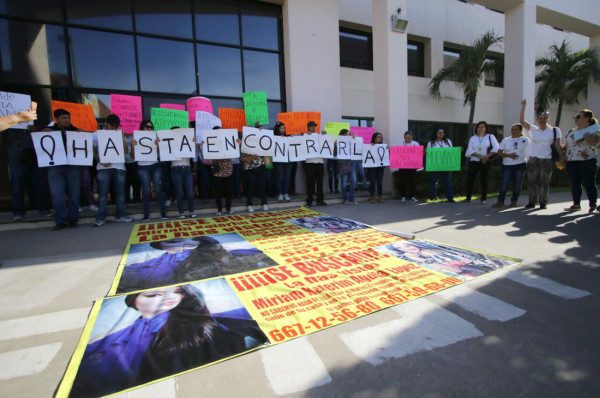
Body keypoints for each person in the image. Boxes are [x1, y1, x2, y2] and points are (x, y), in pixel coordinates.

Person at [71, 285, 247, 397]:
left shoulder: (196, 325)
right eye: (153, 294)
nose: (168, 298)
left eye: (177, 291)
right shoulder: (107, 341)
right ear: (134, 302)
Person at [519, 99, 565, 209]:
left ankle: (543, 202)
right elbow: (521, 121)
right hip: (534, 157)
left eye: (545, 118)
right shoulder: (534, 129)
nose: (542, 120)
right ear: (537, 120)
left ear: (548, 119)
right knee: (532, 180)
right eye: (540, 118)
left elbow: (557, 144)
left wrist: (562, 157)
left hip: (547, 158)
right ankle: (532, 201)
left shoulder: (555, 130)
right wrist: (523, 106)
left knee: (544, 181)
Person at [45, 109, 83, 230]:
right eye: (63, 118)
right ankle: (60, 220)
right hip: (56, 166)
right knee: (57, 194)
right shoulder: (50, 132)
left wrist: (82, 134)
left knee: (74, 194)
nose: (66, 120)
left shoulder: (75, 131)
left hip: (73, 165)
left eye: (68, 118)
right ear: (56, 119)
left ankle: (73, 218)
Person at [93, 114, 133, 226]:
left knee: (120, 193)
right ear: (106, 123)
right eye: (112, 126)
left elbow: (126, 151)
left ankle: (121, 215)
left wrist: (122, 137)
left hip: (119, 167)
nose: (113, 128)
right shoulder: (97, 135)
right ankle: (100, 217)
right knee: (103, 193)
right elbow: (93, 150)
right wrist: (100, 161)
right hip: (103, 168)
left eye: (116, 126)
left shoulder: (119, 134)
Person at [562, 109, 599, 213]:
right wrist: (562, 156)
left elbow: (596, 144)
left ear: (587, 118)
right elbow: (566, 145)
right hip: (572, 160)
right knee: (575, 183)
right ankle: (576, 204)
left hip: (587, 160)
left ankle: (592, 205)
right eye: (575, 117)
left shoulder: (594, 130)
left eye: (578, 116)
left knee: (589, 183)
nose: (576, 119)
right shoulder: (571, 131)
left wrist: (587, 137)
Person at [131, 120, 167, 221]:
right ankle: (146, 214)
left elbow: (163, 154)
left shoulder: (156, 138)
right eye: (147, 127)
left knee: (158, 189)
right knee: (146, 190)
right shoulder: (136, 138)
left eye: (151, 127)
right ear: (142, 127)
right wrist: (133, 147)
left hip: (156, 165)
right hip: (143, 166)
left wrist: (158, 145)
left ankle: (163, 213)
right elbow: (133, 156)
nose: (150, 129)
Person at [492, 124, 530, 208]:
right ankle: (500, 201)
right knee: (504, 184)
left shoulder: (525, 139)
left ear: (520, 131)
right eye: (512, 129)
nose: (514, 131)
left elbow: (532, 148)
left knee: (517, 184)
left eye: (516, 129)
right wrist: (509, 155)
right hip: (507, 165)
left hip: (520, 165)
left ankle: (514, 201)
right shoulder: (506, 140)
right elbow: (499, 152)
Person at [464, 121, 499, 204]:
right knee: (470, 179)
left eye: (483, 127)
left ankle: (483, 198)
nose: (481, 128)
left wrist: (486, 157)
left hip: (485, 161)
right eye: (479, 127)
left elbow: (496, 147)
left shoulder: (490, 136)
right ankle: (468, 197)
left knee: (484, 179)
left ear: (486, 128)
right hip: (474, 161)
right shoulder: (473, 138)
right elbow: (470, 150)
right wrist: (480, 157)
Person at [169, 127, 196, 219]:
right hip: (176, 169)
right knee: (179, 192)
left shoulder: (186, 140)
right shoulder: (170, 143)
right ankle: (181, 212)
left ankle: (191, 211)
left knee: (189, 192)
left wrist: (193, 143)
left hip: (187, 168)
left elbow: (193, 154)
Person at [426, 128, 455, 202]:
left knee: (447, 181)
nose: (441, 134)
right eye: (439, 132)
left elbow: (451, 152)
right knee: (433, 181)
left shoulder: (448, 142)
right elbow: (428, 154)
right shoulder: (431, 143)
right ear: (436, 133)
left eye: (442, 132)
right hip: (435, 165)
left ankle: (450, 197)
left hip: (446, 165)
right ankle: (432, 197)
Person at [304, 121, 328, 207]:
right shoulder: (305, 136)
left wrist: (326, 135)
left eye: (314, 126)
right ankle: (309, 200)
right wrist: (304, 135)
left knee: (320, 183)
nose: (313, 128)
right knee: (310, 183)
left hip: (320, 162)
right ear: (308, 128)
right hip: (309, 163)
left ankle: (320, 200)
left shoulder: (320, 136)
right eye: (311, 126)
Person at [336, 129, 358, 205]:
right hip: (343, 163)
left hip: (351, 162)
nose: (348, 136)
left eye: (348, 134)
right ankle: (345, 199)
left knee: (353, 181)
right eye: (346, 134)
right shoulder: (338, 142)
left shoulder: (351, 141)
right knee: (344, 183)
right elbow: (335, 153)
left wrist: (355, 140)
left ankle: (351, 199)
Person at [272, 122, 292, 202]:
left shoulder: (288, 137)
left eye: (284, 128)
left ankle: (285, 193)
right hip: (279, 161)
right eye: (281, 128)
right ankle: (280, 194)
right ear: (277, 129)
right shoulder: (274, 138)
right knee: (279, 177)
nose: (283, 130)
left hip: (288, 160)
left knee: (287, 177)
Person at [398, 130, 419, 202]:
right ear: (404, 138)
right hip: (403, 166)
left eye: (409, 138)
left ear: (411, 138)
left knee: (412, 181)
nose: (407, 139)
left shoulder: (416, 144)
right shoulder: (400, 144)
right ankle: (403, 196)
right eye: (406, 138)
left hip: (412, 166)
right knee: (403, 181)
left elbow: (418, 154)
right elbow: (397, 154)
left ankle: (412, 196)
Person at [367, 132, 386, 203]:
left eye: (380, 137)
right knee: (372, 182)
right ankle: (371, 196)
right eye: (378, 137)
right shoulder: (370, 146)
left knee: (379, 183)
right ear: (374, 138)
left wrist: (387, 150)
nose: (380, 138)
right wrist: (370, 146)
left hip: (380, 168)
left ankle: (380, 197)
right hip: (372, 168)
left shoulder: (383, 147)